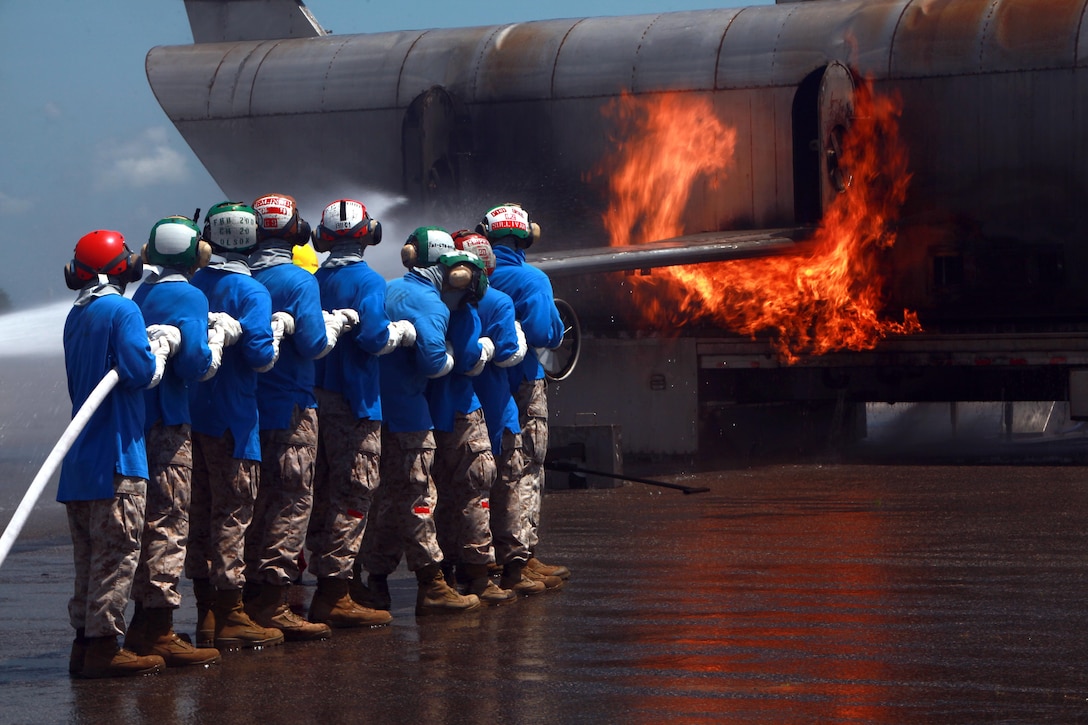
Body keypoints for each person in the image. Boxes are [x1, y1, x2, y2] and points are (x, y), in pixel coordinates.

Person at [60, 229, 169, 678]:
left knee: (88, 560)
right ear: (118, 268)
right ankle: (106, 647)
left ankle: (84, 645)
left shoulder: (75, 314)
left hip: (80, 461)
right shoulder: (123, 309)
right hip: (116, 456)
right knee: (117, 554)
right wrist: (160, 348)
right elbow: (139, 371)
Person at [357, 228, 482, 616]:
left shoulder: (391, 288)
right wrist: (450, 357)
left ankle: (375, 581)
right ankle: (432, 583)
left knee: (389, 500)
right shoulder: (430, 302)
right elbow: (431, 363)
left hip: (377, 411)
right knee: (419, 496)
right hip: (411, 415)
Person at [244, 192, 350, 642]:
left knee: (255, 503)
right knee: (291, 503)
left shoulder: (241, 279)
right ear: (297, 232)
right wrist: (337, 325)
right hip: (291, 408)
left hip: (248, 411)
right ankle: (274, 604)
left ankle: (245, 601)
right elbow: (312, 345)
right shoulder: (298, 281)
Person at [127, 216, 229, 668]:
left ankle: (140, 622)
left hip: (138, 423)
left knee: (144, 521)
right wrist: (217, 337)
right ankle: (160, 629)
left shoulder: (142, 292)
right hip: (169, 423)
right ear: (197, 256)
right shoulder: (189, 294)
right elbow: (194, 366)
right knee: (169, 520)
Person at [307, 198, 412, 628]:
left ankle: (339, 582)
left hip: (320, 398)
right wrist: (400, 334)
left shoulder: (312, 279)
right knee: (355, 491)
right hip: (356, 402)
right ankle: (336, 592)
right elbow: (372, 339)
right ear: (371, 235)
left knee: (326, 488)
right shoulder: (369, 282)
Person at [187, 201, 284, 650]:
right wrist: (278, 331)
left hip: (195, 416)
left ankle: (206, 612)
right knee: (233, 513)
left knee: (200, 512)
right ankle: (232, 612)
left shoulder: (192, 283)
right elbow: (261, 356)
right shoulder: (253, 292)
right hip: (235, 419)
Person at [476, 203, 570, 586]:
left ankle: (490, 556)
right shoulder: (533, 280)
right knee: (525, 468)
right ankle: (523, 557)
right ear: (525, 236)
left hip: (481, 382)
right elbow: (548, 335)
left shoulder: (478, 277)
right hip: (524, 383)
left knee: (489, 468)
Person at [420, 239, 516, 606]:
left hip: (427, 414)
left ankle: (443, 572)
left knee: (439, 492)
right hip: (462, 409)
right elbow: (469, 361)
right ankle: (478, 574)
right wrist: (489, 349)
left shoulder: (414, 299)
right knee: (477, 486)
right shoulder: (464, 311)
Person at [450, 230, 545, 596]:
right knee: (506, 487)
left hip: (456, 413)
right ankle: (511, 569)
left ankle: (464, 569)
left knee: (460, 492)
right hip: (497, 409)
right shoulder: (499, 302)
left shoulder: (444, 303)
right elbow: (511, 353)